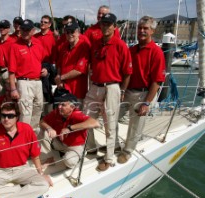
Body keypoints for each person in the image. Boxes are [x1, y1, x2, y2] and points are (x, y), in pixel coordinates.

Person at [83, 13, 132, 172]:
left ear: (114, 27)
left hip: (112, 87)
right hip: (95, 86)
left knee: (110, 123)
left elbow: (127, 72)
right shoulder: (95, 44)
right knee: (85, 118)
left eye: (109, 24)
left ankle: (109, 158)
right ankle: (90, 148)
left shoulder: (120, 45)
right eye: (103, 23)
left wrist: (122, 90)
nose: (105, 26)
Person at [118, 16, 166, 164]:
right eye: (140, 28)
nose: (142, 31)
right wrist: (122, 90)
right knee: (111, 116)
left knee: (135, 125)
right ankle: (113, 145)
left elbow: (157, 81)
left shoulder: (156, 52)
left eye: (145, 28)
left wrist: (147, 102)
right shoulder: (132, 50)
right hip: (127, 91)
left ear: (152, 31)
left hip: (143, 94)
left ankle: (127, 151)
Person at [40, 92, 99, 168]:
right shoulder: (56, 113)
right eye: (59, 104)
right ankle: (50, 158)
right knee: (40, 130)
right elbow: (42, 122)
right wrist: (49, 128)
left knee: (69, 162)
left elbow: (95, 123)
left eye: (63, 105)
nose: (59, 107)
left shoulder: (77, 114)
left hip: (75, 146)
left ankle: (78, 155)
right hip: (60, 143)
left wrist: (69, 128)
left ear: (72, 107)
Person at [8, 19, 46, 129]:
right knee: (25, 113)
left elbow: (41, 61)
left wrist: (44, 69)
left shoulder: (38, 44)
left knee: (38, 109)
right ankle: (23, 138)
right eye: (23, 30)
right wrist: (13, 89)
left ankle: (32, 135)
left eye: (27, 30)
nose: (25, 32)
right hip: (24, 82)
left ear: (33, 31)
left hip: (38, 82)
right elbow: (11, 71)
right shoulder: (15, 46)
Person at [55, 20, 90, 103]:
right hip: (64, 89)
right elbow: (60, 65)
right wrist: (59, 77)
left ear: (78, 32)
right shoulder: (64, 47)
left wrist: (61, 77)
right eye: (67, 32)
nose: (70, 34)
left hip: (77, 91)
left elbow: (79, 70)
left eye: (72, 31)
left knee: (76, 114)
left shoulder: (83, 46)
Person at [34, 15, 57, 114]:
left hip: (49, 65)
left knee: (46, 89)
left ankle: (49, 112)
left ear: (50, 25)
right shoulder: (35, 36)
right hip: (37, 64)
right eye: (41, 21)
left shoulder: (54, 36)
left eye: (45, 22)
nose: (42, 23)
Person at [0, 20, 16, 89]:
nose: (2, 29)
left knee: (10, 95)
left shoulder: (14, 42)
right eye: (1, 27)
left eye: (4, 27)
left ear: (8, 29)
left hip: (8, 71)